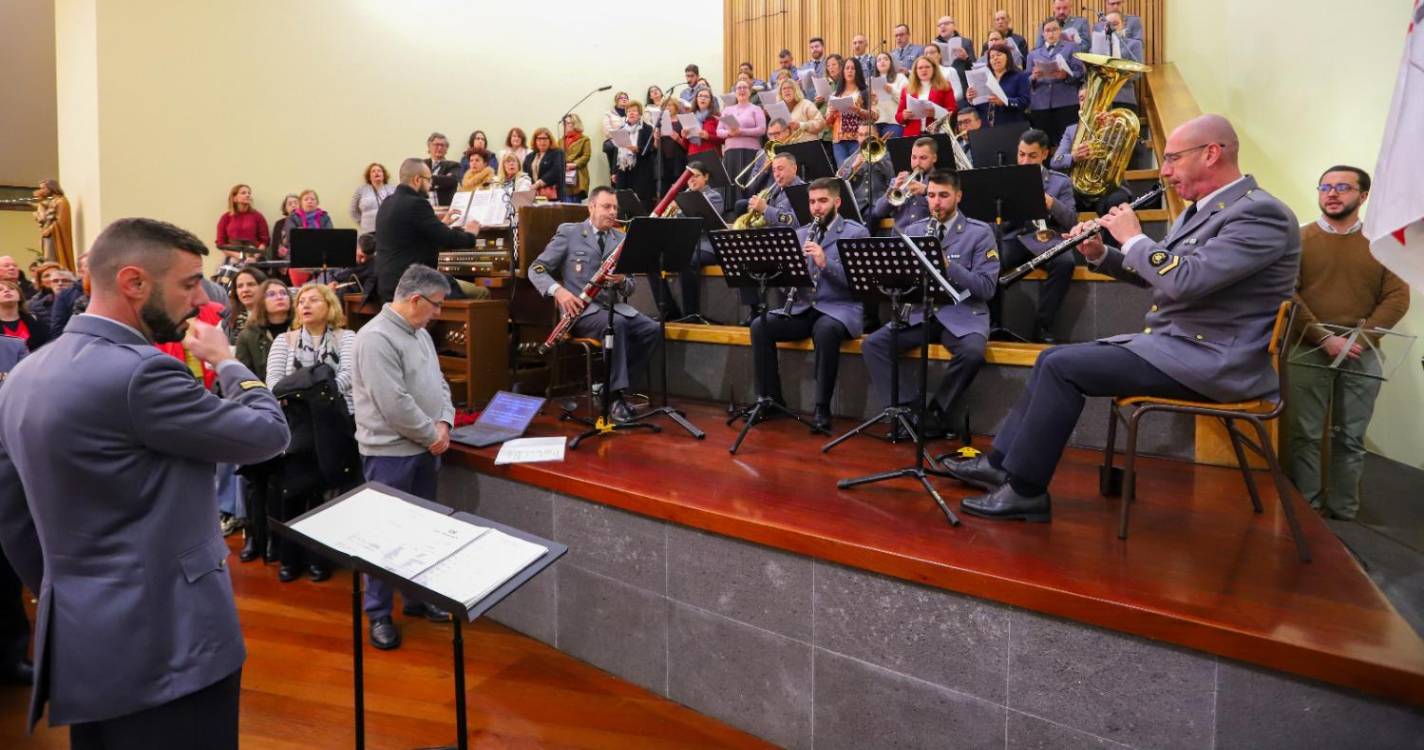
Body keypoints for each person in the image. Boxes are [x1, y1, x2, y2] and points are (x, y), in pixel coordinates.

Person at [0, 217, 288, 747]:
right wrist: (227, 363)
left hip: (83, 640)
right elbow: (267, 434)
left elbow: (11, 511)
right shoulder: (143, 373)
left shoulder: (26, 372)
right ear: (134, 282)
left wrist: (81, 585)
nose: (206, 299)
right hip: (170, 643)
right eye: (188, 282)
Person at [946, 115, 1301, 523]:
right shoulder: (1199, 212)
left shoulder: (1259, 215)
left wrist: (1134, 236)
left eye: (1173, 159)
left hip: (1214, 359)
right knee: (1049, 360)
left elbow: (1184, 280)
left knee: (1062, 366)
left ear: (1211, 154)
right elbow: (1157, 271)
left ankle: (1026, 491)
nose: (1165, 170)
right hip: (1178, 346)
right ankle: (1001, 464)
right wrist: (1101, 253)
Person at [1286, 166, 1409, 521]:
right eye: (1325, 186)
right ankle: (1308, 510)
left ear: (1364, 196)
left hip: (1362, 353)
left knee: (1351, 438)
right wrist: (1324, 338)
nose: (1332, 193)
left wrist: (1358, 339)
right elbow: (1286, 292)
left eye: (1343, 187)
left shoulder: (1384, 244)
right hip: (1307, 348)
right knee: (1304, 435)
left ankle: (1344, 515)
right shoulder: (1297, 239)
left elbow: (1397, 298)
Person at [352, 264, 459, 649]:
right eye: (437, 305)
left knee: (422, 531)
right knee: (386, 537)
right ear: (415, 299)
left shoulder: (419, 334)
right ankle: (379, 613)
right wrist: (432, 434)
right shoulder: (376, 338)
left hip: (425, 445)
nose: (439, 313)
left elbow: (439, 382)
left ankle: (417, 598)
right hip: (390, 454)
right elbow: (392, 402)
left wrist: (445, 420)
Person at [862, 169, 999, 438]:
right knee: (874, 345)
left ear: (958, 196)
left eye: (944, 196)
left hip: (962, 313)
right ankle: (910, 411)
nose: (936, 202)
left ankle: (936, 413)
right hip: (920, 311)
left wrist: (949, 266)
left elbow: (986, 288)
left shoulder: (980, 232)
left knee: (972, 353)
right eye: (932, 195)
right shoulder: (912, 230)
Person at [529, 187, 660, 422]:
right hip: (580, 312)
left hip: (613, 309)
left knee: (652, 329)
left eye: (615, 208)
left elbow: (631, 286)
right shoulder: (569, 233)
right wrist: (559, 291)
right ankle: (615, 398)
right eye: (606, 207)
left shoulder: (621, 239)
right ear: (591, 207)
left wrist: (621, 282)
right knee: (616, 325)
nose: (612, 212)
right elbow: (536, 269)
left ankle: (609, 388)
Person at [750, 178, 868, 431]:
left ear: (837, 202)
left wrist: (826, 263)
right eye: (813, 202)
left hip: (840, 308)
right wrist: (781, 274)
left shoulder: (855, 232)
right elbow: (787, 284)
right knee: (760, 326)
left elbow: (859, 284)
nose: (816, 207)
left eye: (823, 201)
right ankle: (770, 399)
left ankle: (821, 408)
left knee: (825, 331)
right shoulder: (801, 233)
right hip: (803, 308)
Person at [264, 283, 355, 583]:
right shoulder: (285, 341)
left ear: (330, 306)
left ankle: (319, 560)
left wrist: (303, 389)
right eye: (301, 300)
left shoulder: (348, 338)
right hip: (296, 426)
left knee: (323, 495)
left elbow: (348, 378)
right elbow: (275, 385)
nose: (305, 304)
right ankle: (289, 559)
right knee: (292, 493)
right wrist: (318, 389)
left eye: (314, 300)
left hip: (335, 425)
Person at [991, 129, 1079, 343]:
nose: (1024, 160)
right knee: (990, 262)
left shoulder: (1060, 182)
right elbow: (994, 223)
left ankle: (1043, 327)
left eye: (1031, 156)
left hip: (1047, 238)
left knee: (1065, 263)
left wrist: (1051, 203)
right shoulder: (1005, 179)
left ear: (1045, 154)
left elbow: (1071, 221)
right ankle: (992, 325)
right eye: (1021, 154)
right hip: (1016, 238)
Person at [234, 278, 291, 563]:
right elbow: (241, 379)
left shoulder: (298, 331)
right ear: (261, 302)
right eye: (271, 294)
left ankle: (280, 545)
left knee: (282, 484)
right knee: (257, 483)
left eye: (284, 292)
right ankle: (256, 539)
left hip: (292, 418)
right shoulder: (249, 335)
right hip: (258, 414)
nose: (280, 297)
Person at [374, 158, 482, 301]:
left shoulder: (387, 203)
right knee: (482, 293)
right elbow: (448, 239)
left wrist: (440, 224)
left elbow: (414, 235)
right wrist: (470, 235)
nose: (431, 185)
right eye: (429, 180)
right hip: (414, 285)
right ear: (417, 180)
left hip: (386, 283)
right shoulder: (417, 203)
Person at [647, 161, 723, 322]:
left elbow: (705, 223)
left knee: (687, 260)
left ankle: (691, 313)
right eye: (689, 178)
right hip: (684, 245)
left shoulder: (714, 196)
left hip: (707, 246)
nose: (692, 180)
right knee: (650, 260)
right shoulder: (680, 198)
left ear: (706, 177)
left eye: (696, 176)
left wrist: (679, 210)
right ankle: (669, 310)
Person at [1027, 19, 1085, 145]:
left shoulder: (1072, 47)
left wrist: (1066, 75)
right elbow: (1027, 80)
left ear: (1060, 31)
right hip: (1041, 105)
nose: (1051, 33)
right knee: (1042, 143)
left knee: (1068, 142)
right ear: (1043, 34)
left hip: (1066, 102)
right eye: (1048, 30)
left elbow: (1080, 73)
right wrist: (1033, 77)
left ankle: (1067, 164)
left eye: (1054, 29)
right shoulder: (1033, 54)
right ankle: (1044, 165)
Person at [870, 137, 938, 231]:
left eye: (923, 158)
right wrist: (893, 189)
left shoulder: (941, 181)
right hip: (899, 238)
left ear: (934, 158)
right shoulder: (898, 180)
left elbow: (944, 211)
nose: (917, 163)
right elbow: (878, 212)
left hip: (925, 236)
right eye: (914, 157)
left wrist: (926, 191)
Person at [718, 81, 769, 204]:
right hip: (731, 153)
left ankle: (748, 207)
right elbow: (719, 131)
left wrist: (741, 131)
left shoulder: (756, 109)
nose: (742, 90)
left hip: (751, 152)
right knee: (731, 183)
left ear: (750, 92)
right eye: (739, 88)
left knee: (748, 183)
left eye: (745, 88)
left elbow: (762, 130)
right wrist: (729, 133)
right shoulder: (727, 109)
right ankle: (731, 211)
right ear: (735, 92)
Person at [828, 57, 874, 167]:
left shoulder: (866, 92)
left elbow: (874, 116)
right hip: (839, 141)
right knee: (843, 172)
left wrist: (858, 110)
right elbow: (828, 122)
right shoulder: (835, 94)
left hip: (859, 139)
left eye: (853, 68)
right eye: (847, 68)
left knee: (859, 170)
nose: (849, 71)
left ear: (857, 72)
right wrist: (831, 112)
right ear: (843, 71)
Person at [969, 42, 1029, 126]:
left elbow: (1025, 102)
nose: (995, 58)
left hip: (1011, 125)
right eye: (992, 57)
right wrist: (971, 99)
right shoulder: (984, 78)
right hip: (985, 127)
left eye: (999, 55)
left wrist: (1006, 101)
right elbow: (979, 107)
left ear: (1008, 57)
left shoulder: (1020, 76)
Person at [896, 56, 955, 137]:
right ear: (915, 71)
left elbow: (953, 110)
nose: (924, 70)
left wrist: (937, 113)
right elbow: (898, 116)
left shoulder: (945, 86)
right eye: (920, 68)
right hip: (913, 134)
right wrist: (904, 115)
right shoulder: (906, 89)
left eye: (927, 67)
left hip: (937, 132)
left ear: (934, 69)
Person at [613, 101, 657, 209]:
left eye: (634, 111)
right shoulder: (621, 129)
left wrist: (638, 149)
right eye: (629, 111)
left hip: (641, 168)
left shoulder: (647, 129)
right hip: (623, 168)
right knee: (622, 197)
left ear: (640, 113)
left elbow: (651, 148)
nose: (631, 113)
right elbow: (616, 152)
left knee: (640, 199)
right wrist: (614, 171)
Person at [844, 123, 895, 214]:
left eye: (867, 134)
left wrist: (878, 160)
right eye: (860, 135)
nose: (863, 138)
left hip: (878, 205)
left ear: (876, 135)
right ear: (857, 137)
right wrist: (853, 167)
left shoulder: (887, 157)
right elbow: (841, 185)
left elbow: (892, 178)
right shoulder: (850, 160)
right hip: (858, 206)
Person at [1099, 12, 1145, 111]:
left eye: (1115, 24)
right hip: (1100, 99)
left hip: (1124, 97)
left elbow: (1138, 73)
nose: (1111, 28)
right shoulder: (1098, 45)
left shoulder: (1134, 44)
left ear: (1123, 24)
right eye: (1108, 25)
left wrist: (1118, 74)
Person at [215, 184, 269, 263]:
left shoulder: (258, 216)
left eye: (249, 193)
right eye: (243, 193)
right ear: (234, 198)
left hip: (254, 256)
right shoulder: (226, 218)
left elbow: (264, 241)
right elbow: (221, 244)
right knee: (224, 273)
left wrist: (254, 257)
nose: (248, 195)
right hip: (233, 256)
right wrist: (240, 256)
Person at [32, 179, 75, 270]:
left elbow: (61, 222)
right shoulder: (51, 202)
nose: (41, 191)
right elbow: (45, 219)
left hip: (55, 236)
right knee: (48, 260)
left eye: (43, 188)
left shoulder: (62, 201)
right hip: (49, 235)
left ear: (51, 187)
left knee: (52, 260)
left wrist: (49, 230)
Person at [349, 162, 396, 236]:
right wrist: (361, 221)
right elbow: (353, 209)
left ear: (383, 175)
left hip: (388, 231)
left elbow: (397, 208)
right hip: (367, 231)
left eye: (379, 171)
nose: (376, 173)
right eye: (373, 171)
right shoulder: (361, 190)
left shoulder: (392, 189)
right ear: (369, 177)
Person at [0, 280, 49, 351]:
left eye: (12, 289)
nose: (7, 291)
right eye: (0, 290)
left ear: (20, 296)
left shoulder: (35, 319)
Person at [777, 77, 826, 144]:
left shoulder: (806, 104)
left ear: (796, 90)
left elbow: (821, 123)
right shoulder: (779, 110)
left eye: (790, 88)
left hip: (809, 146)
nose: (786, 90)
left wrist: (800, 125)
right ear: (780, 93)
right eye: (784, 88)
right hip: (789, 148)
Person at [524, 127, 567, 202]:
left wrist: (538, 184)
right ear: (535, 141)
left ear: (550, 140)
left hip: (553, 196)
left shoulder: (557, 153)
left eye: (545, 139)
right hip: (534, 195)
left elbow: (556, 171)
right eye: (539, 139)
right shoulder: (530, 156)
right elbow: (525, 173)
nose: (542, 142)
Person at [226, 266, 267, 345]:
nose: (245, 290)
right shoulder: (227, 318)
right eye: (240, 286)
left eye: (251, 284)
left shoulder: (274, 316)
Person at [871, 52, 906, 139]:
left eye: (886, 59)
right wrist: (872, 100)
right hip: (875, 124)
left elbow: (906, 101)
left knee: (892, 151)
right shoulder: (870, 80)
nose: (882, 61)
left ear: (891, 62)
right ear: (876, 65)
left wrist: (892, 91)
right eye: (879, 60)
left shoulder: (900, 77)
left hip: (893, 122)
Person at [423, 132, 462, 207]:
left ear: (446, 149)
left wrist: (426, 178)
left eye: (442, 145)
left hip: (443, 208)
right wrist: (441, 180)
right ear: (429, 147)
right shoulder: (422, 164)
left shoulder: (454, 165)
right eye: (436, 145)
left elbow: (451, 180)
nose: (440, 148)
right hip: (424, 207)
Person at [563, 114, 592, 202]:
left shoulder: (584, 139)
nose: (565, 126)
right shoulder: (561, 140)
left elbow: (586, 156)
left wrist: (574, 164)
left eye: (568, 123)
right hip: (564, 176)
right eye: (564, 123)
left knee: (575, 205)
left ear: (575, 124)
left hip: (578, 176)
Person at [269, 193, 300, 265]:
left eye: (296, 203)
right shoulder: (279, 224)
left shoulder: (306, 222)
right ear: (285, 208)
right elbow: (275, 246)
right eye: (289, 204)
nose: (293, 205)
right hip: (284, 263)